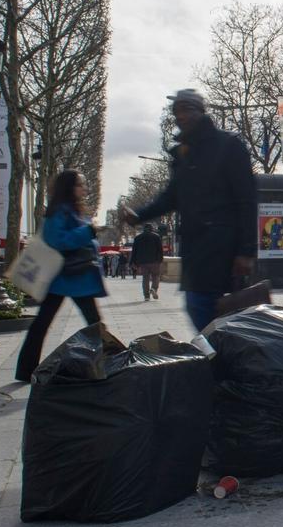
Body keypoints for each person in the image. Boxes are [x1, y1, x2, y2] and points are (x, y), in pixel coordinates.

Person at [124, 89, 256, 332]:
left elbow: (247, 200)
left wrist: (246, 251)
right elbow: (170, 197)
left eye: (186, 109)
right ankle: (218, 361)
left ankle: (221, 362)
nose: (180, 116)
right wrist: (139, 215)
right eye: (176, 111)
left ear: (200, 111)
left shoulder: (228, 145)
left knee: (212, 314)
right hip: (196, 250)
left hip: (223, 247)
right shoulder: (183, 154)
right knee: (200, 310)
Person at [15, 170, 106, 381]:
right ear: (69, 187)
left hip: (71, 276)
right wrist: (89, 232)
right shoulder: (60, 211)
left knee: (45, 323)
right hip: (69, 276)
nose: (85, 188)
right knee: (93, 323)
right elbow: (57, 240)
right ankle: (110, 363)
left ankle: (25, 369)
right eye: (80, 184)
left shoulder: (69, 210)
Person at [131, 224, 164, 301]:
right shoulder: (156, 237)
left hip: (143, 262)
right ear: (152, 229)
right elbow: (160, 250)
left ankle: (146, 296)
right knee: (156, 276)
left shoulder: (138, 238)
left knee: (145, 278)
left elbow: (134, 251)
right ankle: (153, 288)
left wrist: (133, 262)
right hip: (154, 261)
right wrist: (160, 260)